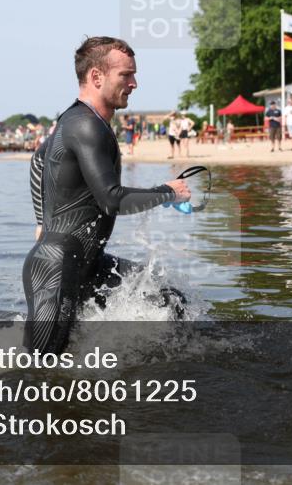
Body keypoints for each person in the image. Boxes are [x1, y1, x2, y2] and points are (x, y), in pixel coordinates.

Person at [23, 37, 191, 355]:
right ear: (96, 77)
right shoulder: (85, 125)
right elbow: (111, 200)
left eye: (134, 74)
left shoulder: (77, 120)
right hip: (57, 267)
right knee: (39, 370)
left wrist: (41, 220)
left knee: (170, 301)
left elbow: (38, 161)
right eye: (126, 75)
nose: (134, 83)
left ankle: (165, 371)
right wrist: (168, 192)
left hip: (89, 264)